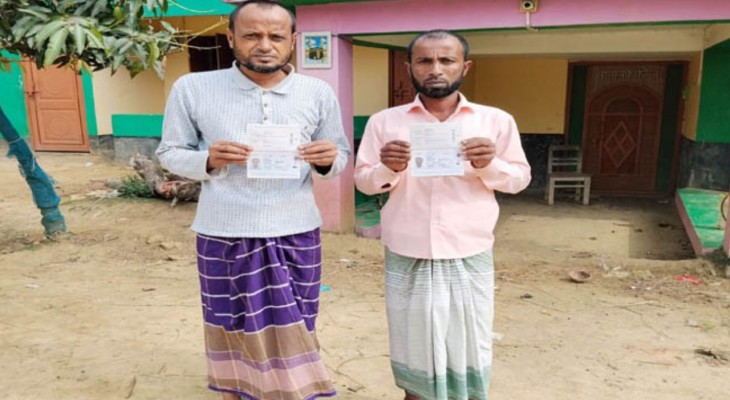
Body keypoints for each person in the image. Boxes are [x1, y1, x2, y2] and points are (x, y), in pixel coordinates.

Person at [156, 1, 349, 399]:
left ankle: (294, 390)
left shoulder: (317, 92)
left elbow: (340, 154)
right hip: (223, 230)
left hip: (296, 229)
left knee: (299, 318)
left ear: (292, 40)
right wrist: (208, 159)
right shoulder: (192, 88)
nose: (264, 45)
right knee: (229, 317)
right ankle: (235, 389)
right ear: (231, 38)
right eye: (251, 35)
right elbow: (169, 153)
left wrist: (327, 159)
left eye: (276, 36)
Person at [354, 30, 531, 400]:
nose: (435, 68)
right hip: (408, 252)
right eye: (424, 60)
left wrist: (488, 163)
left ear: (465, 66)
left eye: (446, 60)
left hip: (468, 250)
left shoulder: (494, 121)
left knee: (468, 343)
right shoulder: (384, 122)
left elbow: (518, 180)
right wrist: (388, 168)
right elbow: (365, 182)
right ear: (409, 67)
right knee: (413, 347)